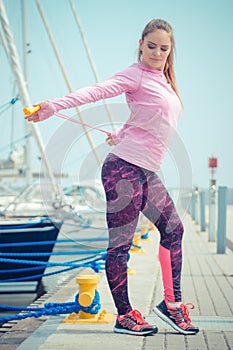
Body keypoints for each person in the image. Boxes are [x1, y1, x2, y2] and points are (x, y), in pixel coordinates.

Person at [26, 18, 199, 336]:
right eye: (151, 46)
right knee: (120, 245)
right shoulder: (135, 74)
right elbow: (95, 92)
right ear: (141, 44)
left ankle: (172, 307)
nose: (157, 53)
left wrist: (121, 132)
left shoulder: (165, 81)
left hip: (147, 171)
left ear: (170, 49)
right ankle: (125, 315)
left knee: (174, 231)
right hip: (123, 171)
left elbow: (150, 120)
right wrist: (52, 106)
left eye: (163, 48)